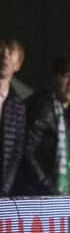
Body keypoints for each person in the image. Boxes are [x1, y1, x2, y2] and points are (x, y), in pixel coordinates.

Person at [21, 54, 70, 195]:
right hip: (36, 194)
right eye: (66, 76)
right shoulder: (43, 107)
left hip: (55, 190)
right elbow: (26, 152)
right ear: (55, 78)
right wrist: (47, 185)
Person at [0, 38, 27, 196]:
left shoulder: (18, 105)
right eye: (2, 50)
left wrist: (6, 186)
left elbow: (17, 149)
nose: (5, 56)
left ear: (18, 65)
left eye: (11, 52)